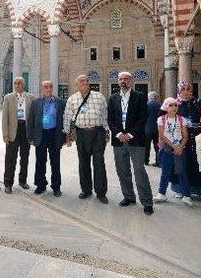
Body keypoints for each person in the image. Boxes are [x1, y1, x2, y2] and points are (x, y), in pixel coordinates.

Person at [107, 72, 153, 214]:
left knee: (139, 171)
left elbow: (143, 117)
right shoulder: (113, 98)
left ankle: (147, 202)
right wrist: (120, 134)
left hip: (136, 140)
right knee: (123, 171)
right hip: (119, 141)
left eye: (126, 79)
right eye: (121, 79)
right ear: (118, 81)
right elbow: (110, 119)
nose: (123, 81)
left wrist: (130, 134)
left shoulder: (139, 97)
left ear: (131, 81)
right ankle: (129, 197)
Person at [63, 75, 109, 204]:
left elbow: (105, 115)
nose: (85, 83)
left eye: (87, 81)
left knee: (99, 163)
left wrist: (107, 131)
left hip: (97, 132)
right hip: (81, 133)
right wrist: (67, 135)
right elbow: (67, 117)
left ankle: (101, 192)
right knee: (83, 162)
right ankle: (86, 189)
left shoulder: (99, 97)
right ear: (77, 84)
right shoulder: (72, 99)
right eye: (82, 81)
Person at [172, 82, 201, 201]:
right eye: (183, 89)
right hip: (181, 138)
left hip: (199, 137)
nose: (186, 92)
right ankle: (181, 189)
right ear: (179, 91)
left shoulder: (198, 103)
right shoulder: (174, 104)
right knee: (182, 164)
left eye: (188, 89)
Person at [27, 80, 66, 197]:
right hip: (40, 135)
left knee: (55, 162)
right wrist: (30, 137)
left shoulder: (59, 102)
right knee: (40, 161)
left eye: (50, 87)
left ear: (52, 88)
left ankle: (56, 187)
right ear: (42, 89)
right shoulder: (36, 102)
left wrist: (64, 138)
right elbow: (30, 121)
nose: (48, 89)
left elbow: (64, 121)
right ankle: (40, 185)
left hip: (54, 134)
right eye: (45, 87)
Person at [153, 97, 192, 206]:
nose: (174, 107)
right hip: (166, 149)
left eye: (175, 105)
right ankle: (161, 193)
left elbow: (185, 136)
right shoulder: (161, 119)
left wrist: (180, 147)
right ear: (166, 107)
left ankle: (187, 195)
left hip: (179, 149)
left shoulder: (181, 119)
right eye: (171, 105)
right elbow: (162, 136)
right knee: (165, 172)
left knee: (182, 171)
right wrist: (174, 147)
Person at [2, 77, 34, 193]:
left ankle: (22, 180)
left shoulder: (30, 98)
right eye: (15, 83)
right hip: (13, 131)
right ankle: (8, 183)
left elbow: (33, 118)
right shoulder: (8, 98)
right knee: (10, 158)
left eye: (19, 83)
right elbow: (5, 118)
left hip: (25, 130)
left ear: (23, 84)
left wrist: (32, 135)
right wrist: (5, 135)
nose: (16, 84)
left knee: (24, 158)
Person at [145, 91, 162, 166]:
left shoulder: (146, 104)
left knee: (146, 146)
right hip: (158, 129)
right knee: (158, 146)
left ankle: (145, 161)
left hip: (147, 129)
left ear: (149, 97)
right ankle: (158, 162)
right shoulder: (160, 105)